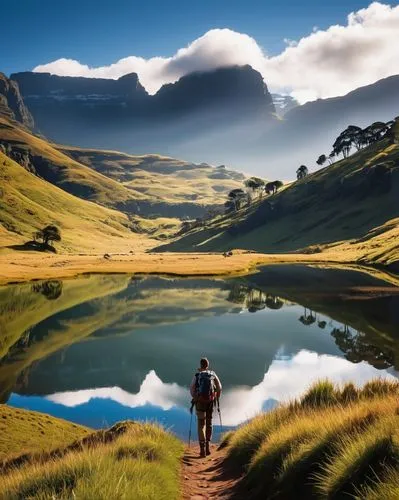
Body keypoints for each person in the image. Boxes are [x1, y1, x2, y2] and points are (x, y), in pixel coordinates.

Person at [190, 357, 222, 457]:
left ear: (200, 365)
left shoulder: (197, 375)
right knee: (209, 422)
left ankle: (202, 449)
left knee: (201, 424)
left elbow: (192, 388)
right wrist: (216, 397)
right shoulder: (213, 374)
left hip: (200, 402)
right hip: (210, 401)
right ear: (207, 365)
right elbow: (219, 387)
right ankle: (208, 447)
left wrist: (195, 398)